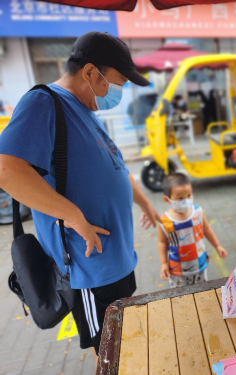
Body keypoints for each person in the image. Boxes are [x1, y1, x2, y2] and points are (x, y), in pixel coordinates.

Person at [0, 32, 160, 366]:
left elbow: (115, 165)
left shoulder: (86, 110)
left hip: (117, 259)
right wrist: (73, 215)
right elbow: (7, 170)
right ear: (90, 72)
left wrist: (144, 203)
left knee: (124, 335)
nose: (116, 92)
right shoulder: (44, 102)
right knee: (107, 348)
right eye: (115, 82)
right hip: (89, 267)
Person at [158, 172, 227, 288]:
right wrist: (163, 263)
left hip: (200, 265)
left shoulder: (198, 212)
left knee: (202, 293)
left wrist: (217, 246)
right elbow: (162, 242)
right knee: (180, 297)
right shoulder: (164, 221)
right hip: (177, 270)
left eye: (189, 195)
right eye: (180, 198)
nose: (186, 200)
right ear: (167, 199)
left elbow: (207, 229)